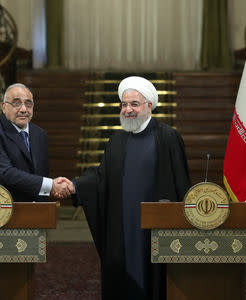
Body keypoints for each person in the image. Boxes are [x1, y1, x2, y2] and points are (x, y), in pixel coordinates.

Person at [59, 76, 191, 299]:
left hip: (155, 229)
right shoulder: (117, 141)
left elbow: (181, 184)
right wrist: (75, 186)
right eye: (124, 104)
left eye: (134, 104)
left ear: (149, 106)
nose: (128, 109)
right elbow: (101, 179)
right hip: (121, 227)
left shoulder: (168, 137)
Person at [0, 83, 69, 201]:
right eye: (16, 103)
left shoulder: (39, 134)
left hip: (36, 211)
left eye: (28, 104)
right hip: (1, 209)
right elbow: (6, 173)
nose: (24, 109)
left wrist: (50, 190)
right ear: (4, 107)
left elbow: (41, 175)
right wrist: (50, 185)